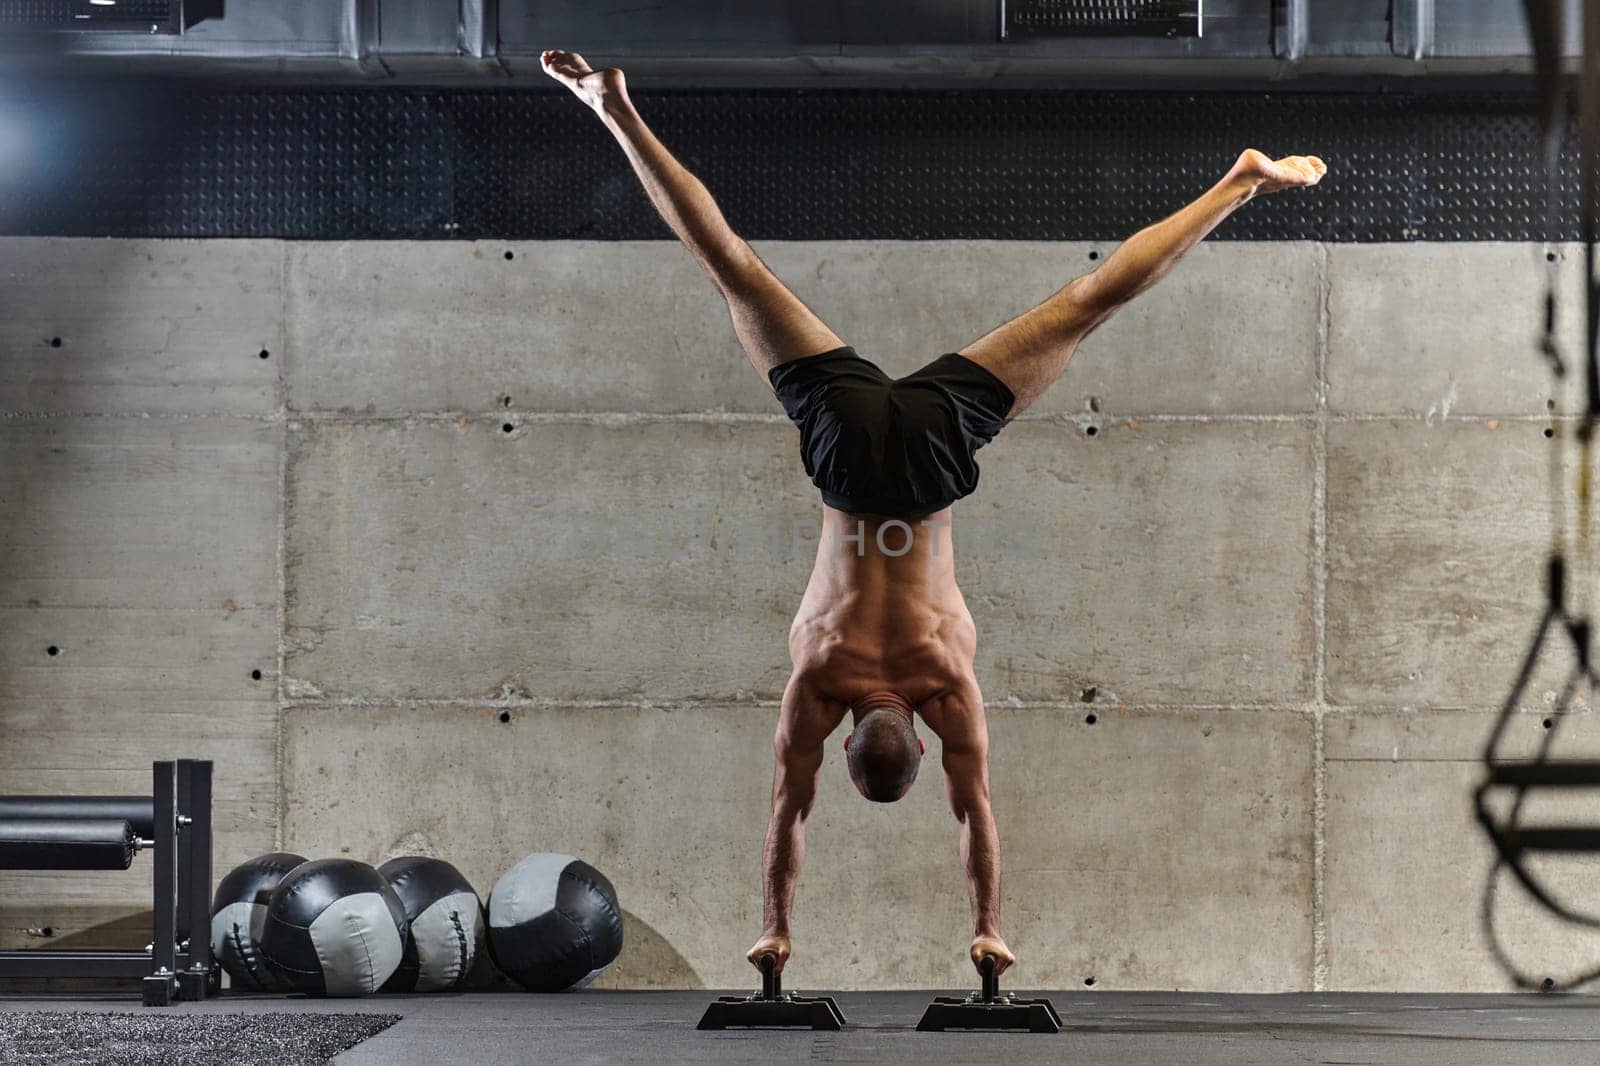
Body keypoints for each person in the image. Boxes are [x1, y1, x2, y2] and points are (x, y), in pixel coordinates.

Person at [541, 48, 1326, 981]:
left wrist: (985, 923)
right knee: (733, 270)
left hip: (932, 462)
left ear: (916, 735)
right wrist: (779, 926)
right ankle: (615, 110)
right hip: (847, 451)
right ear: (863, 740)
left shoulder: (946, 683)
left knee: (1085, 306)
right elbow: (796, 813)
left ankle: (1238, 184)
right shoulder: (821, 682)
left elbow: (966, 810)